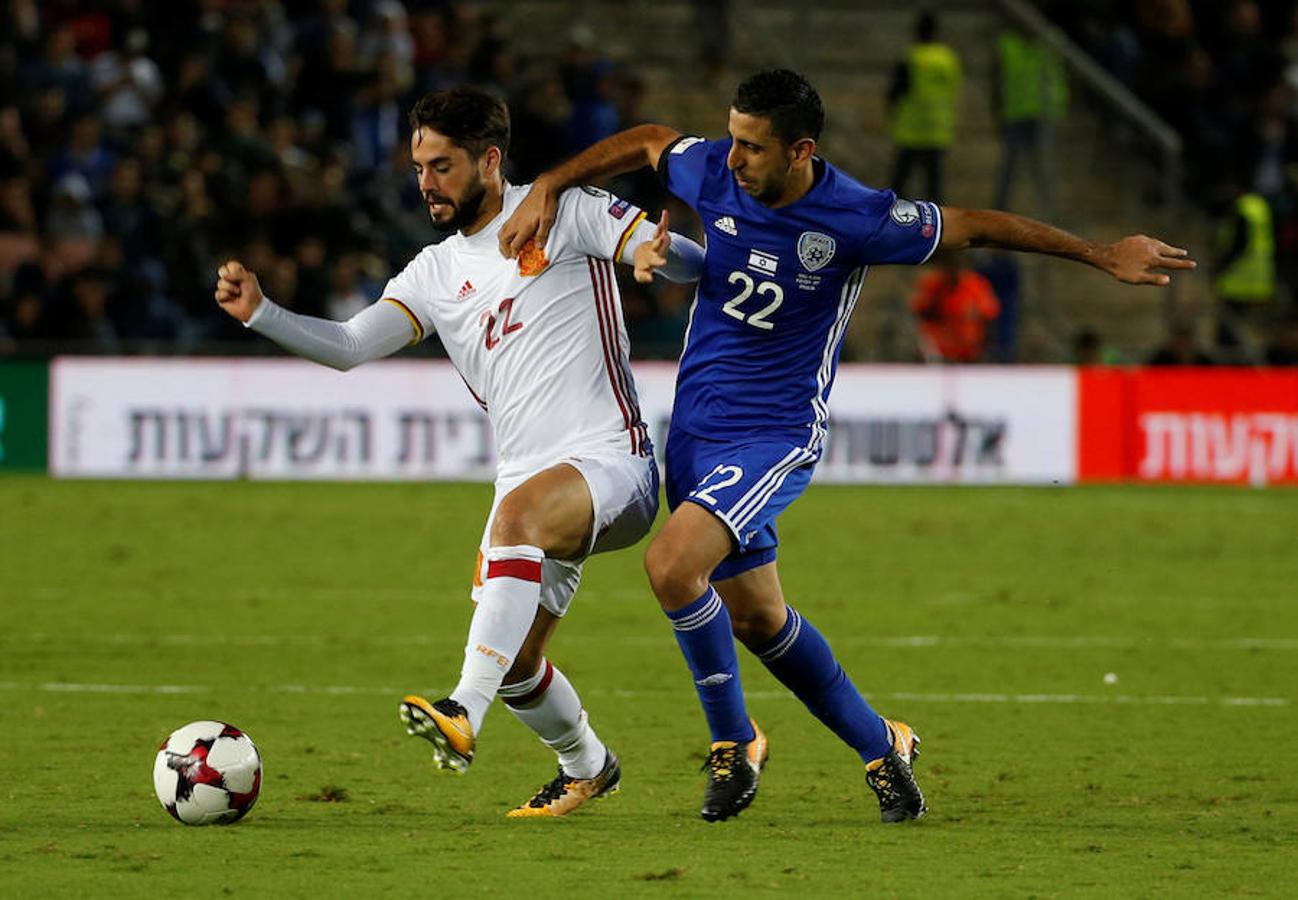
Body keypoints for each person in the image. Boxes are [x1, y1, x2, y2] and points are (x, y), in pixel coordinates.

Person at [498, 69, 1195, 824]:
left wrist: (1099, 254)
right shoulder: (714, 170)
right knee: (758, 621)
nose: (732, 160)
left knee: (670, 567)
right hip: (696, 433)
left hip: (775, 433)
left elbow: (975, 225)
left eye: (752, 148)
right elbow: (645, 143)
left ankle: (734, 743)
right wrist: (547, 187)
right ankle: (881, 744)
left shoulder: (858, 217)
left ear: (801, 150)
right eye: (731, 139)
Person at [214, 86, 704, 818]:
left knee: (514, 534)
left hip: (614, 463)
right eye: (419, 167)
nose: (426, 183)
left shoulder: (563, 210)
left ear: (489, 160)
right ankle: (588, 765)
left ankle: (460, 712)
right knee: (519, 664)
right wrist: (263, 314)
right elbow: (350, 346)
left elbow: (684, 261)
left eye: (442, 166)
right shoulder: (435, 273)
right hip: (529, 484)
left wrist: (664, 256)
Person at [886, 11, 961, 202]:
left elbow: (896, 92)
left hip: (912, 129)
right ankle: (938, 226)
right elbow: (953, 89)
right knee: (934, 187)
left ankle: (897, 225)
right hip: (938, 129)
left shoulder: (911, 58)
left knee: (899, 184)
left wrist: (890, 112)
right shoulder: (948, 58)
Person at [909, 251, 1001, 363]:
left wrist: (985, 349)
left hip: (970, 355)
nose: (953, 270)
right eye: (949, 265)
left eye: (957, 265)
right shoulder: (933, 286)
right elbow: (919, 314)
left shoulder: (976, 285)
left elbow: (990, 318)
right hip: (939, 355)